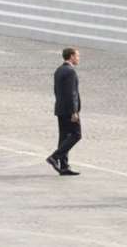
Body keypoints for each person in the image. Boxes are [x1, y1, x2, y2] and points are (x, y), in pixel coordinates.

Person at [46, 47, 82, 176]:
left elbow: (57, 90)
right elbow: (71, 93)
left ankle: (64, 166)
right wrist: (74, 111)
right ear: (71, 56)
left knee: (64, 137)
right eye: (77, 56)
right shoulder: (70, 72)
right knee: (76, 135)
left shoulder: (59, 70)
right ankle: (54, 157)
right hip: (69, 110)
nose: (78, 58)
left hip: (60, 108)